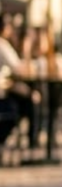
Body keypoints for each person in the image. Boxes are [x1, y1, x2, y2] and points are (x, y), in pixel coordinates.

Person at [0, 13, 39, 152]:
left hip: (6, 89)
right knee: (30, 100)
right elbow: (19, 69)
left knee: (30, 97)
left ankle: (32, 140)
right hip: (3, 93)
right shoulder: (2, 45)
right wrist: (27, 50)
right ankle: (32, 142)